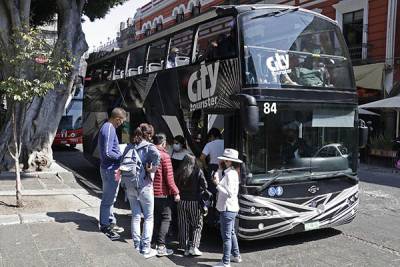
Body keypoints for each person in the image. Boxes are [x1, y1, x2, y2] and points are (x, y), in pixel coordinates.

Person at [122, 123, 160, 258]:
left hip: (130, 186)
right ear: (148, 135)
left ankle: (137, 246)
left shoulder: (129, 146)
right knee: (149, 217)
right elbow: (158, 157)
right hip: (144, 186)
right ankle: (146, 248)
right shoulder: (150, 147)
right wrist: (152, 169)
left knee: (136, 216)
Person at [98, 107, 127, 240]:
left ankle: (110, 221)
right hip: (110, 169)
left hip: (109, 169)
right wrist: (121, 156)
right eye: (122, 121)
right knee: (108, 200)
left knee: (111, 198)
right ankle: (105, 225)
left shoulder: (107, 127)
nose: (121, 124)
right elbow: (108, 152)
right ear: (117, 119)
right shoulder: (109, 128)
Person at [212, 149, 242, 267]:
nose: (222, 161)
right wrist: (219, 170)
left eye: (224, 159)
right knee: (231, 233)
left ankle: (225, 262)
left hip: (227, 208)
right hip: (232, 208)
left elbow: (229, 193)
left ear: (228, 161)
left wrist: (217, 185)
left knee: (226, 237)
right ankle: (236, 255)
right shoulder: (232, 172)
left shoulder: (230, 174)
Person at [152, 133, 180, 256]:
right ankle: (161, 246)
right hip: (162, 193)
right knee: (166, 218)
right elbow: (169, 178)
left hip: (150, 192)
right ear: (163, 143)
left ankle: (153, 243)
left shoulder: (150, 152)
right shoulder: (164, 156)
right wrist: (176, 192)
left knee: (155, 218)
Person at [176, 154, 208, 256]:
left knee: (183, 224)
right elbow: (205, 185)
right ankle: (194, 247)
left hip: (181, 201)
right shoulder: (198, 171)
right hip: (194, 202)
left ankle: (184, 247)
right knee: (197, 224)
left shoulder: (179, 172)